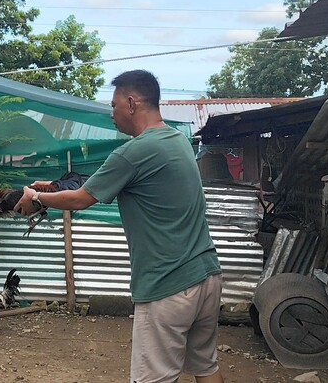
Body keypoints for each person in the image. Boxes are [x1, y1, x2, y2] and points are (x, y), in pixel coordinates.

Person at [14, 70, 224, 383]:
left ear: (131, 103)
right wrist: (54, 188)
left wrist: (36, 197)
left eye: (113, 106)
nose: (111, 114)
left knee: (153, 378)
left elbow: (81, 200)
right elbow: (114, 183)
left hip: (168, 286)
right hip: (206, 276)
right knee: (206, 369)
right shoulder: (177, 141)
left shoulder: (133, 151)